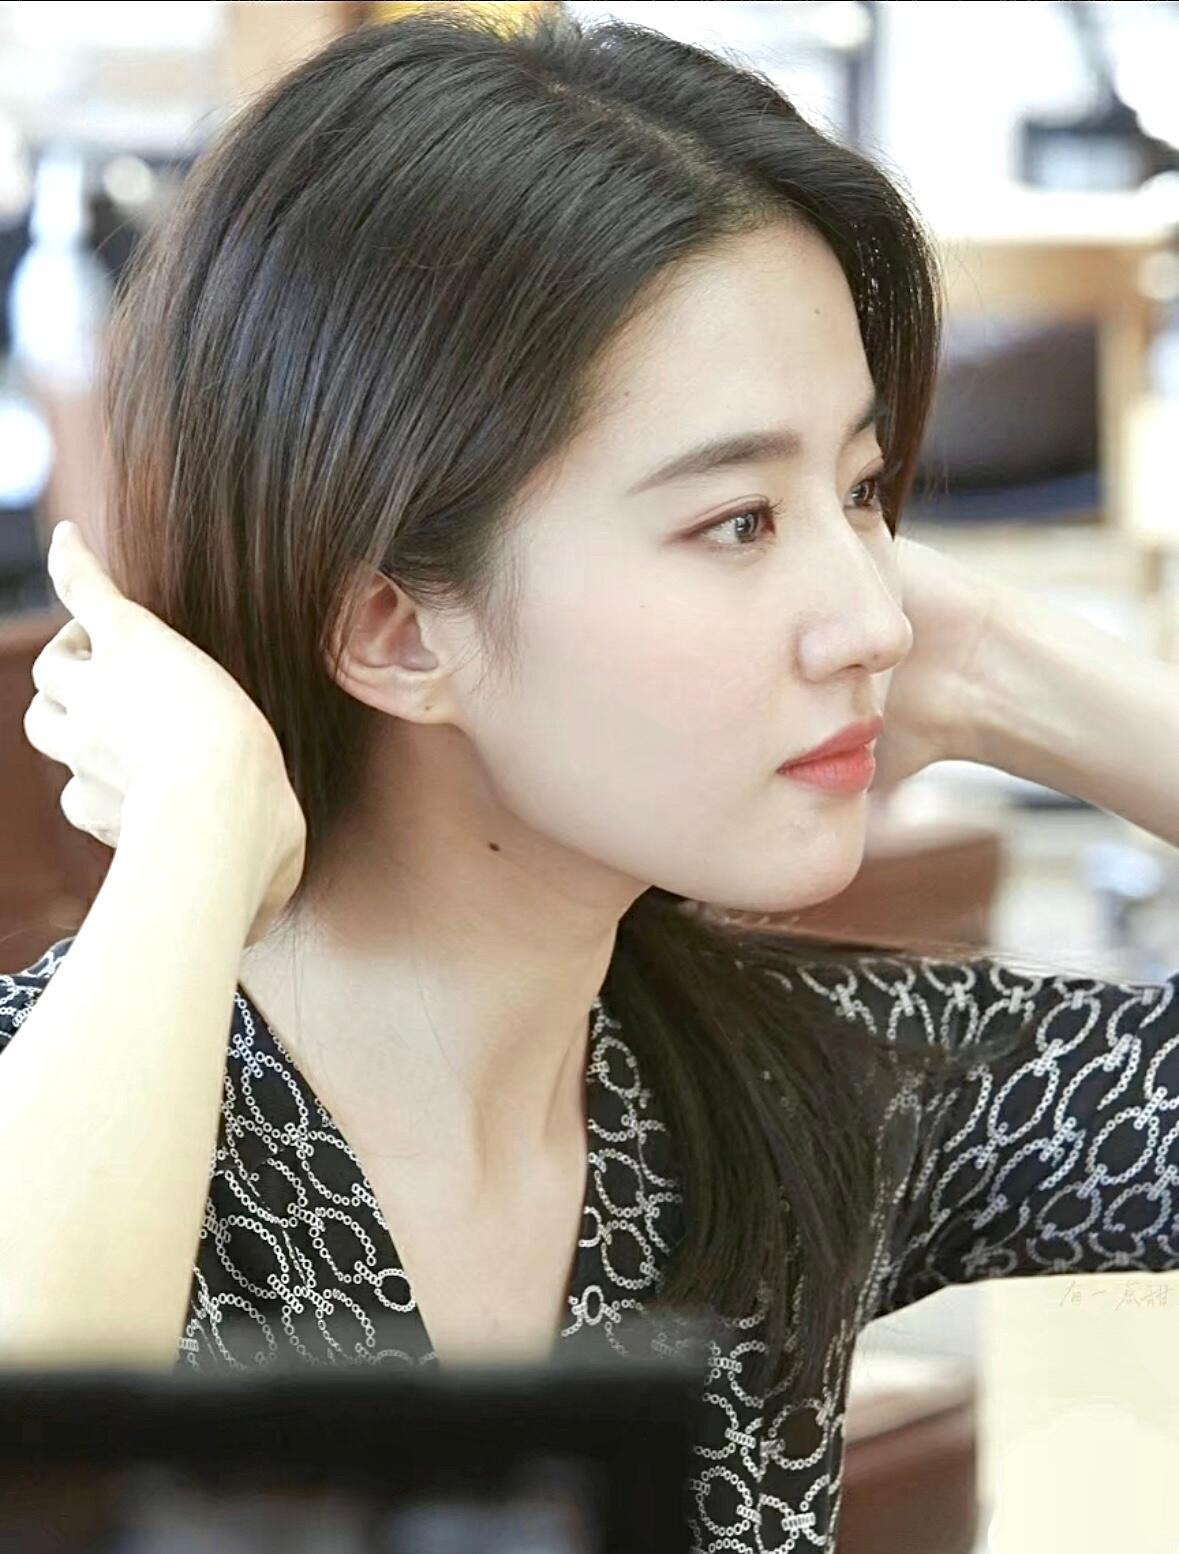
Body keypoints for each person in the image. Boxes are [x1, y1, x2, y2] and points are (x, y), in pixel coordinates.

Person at [0, 10, 1175, 1552]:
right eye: (738, 520)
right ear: (393, 627)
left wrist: (1012, 669)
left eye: (860, 488)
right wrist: (194, 832)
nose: (876, 615)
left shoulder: (783, 1098)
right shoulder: (75, 1100)